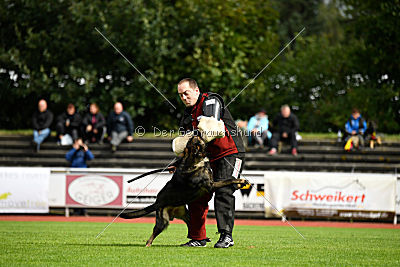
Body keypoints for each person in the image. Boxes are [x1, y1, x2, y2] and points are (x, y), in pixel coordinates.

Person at [176, 78, 245, 248]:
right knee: (196, 193)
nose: (184, 98)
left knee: (224, 190)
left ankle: (226, 236)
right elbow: (187, 146)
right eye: (180, 95)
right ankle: (198, 238)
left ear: (196, 91)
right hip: (209, 157)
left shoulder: (211, 100)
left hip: (231, 153)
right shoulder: (186, 115)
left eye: (186, 93)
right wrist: (180, 163)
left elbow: (211, 129)